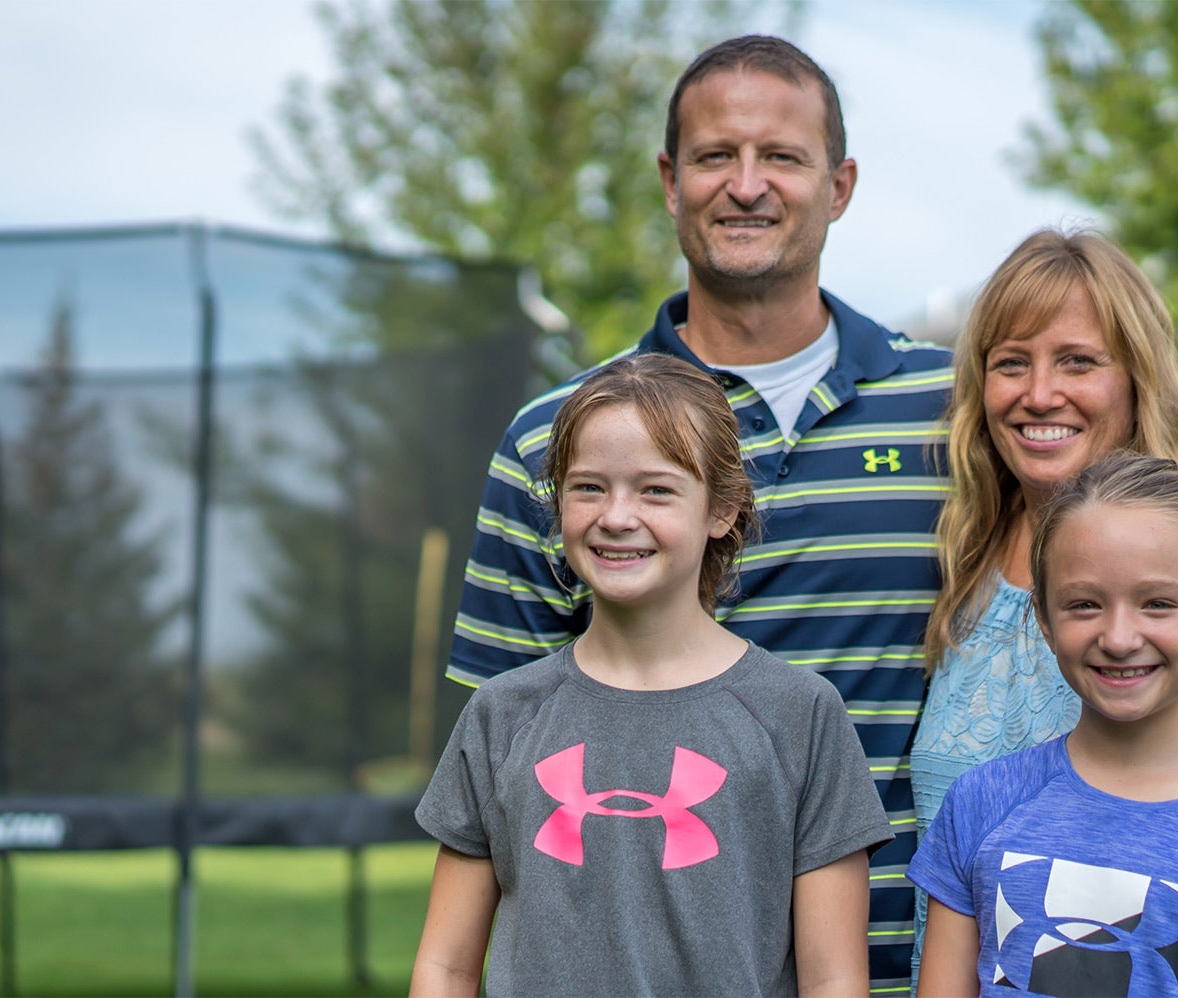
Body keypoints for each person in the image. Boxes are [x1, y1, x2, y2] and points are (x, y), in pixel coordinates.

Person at [447, 35, 954, 991]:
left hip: (919, 966)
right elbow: (495, 765)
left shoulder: (955, 417)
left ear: (839, 186)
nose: (747, 185)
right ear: (671, 180)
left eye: (784, 158)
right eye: (717, 156)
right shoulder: (551, 440)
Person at [907, 229, 1178, 979]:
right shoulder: (962, 563)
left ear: (1137, 379)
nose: (1040, 393)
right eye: (1011, 363)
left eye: (1078, 360)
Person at [411, 354, 891, 996]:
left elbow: (834, 980)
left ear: (721, 509)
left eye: (655, 489)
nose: (616, 516)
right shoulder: (503, 714)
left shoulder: (800, 714)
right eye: (588, 487)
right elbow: (444, 967)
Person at [908, 453, 1178, 996]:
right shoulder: (979, 801)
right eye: (1085, 604)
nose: (1118, 638)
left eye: (1157, 604)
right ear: (1043, 618)